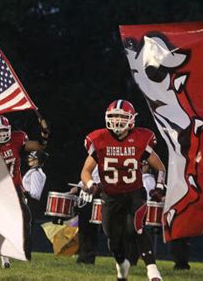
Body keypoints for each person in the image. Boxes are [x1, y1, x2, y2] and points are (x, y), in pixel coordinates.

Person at [80, 99, 166, 281]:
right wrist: (90, 185)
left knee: (136, 227)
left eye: (122, 116)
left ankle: (152, 271)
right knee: (113, 239)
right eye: (114, 116)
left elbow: (160, 167)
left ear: (131, 119)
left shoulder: (141, 138)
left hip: (134, 192)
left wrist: (159, 187)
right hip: (110, 195)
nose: (118, 120)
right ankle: (122, 267)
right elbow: (85, 171)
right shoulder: (99, 139)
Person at [0, 114, 49, 268]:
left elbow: (40, 146)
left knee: (25, 219)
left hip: (14, 188)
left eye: (3, 130)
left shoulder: (16, 139)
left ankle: (25, 256)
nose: (1, 134)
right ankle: (2, 256)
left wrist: (45, 133)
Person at [69, 167, 100, 265]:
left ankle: (89, 259)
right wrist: (78, 187)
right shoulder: (93, 165)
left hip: (95, 197)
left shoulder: (104, 163)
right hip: (84, 198)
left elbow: (102, 182)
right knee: (82, 229)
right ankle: (82, 257)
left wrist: (92, 187)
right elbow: (84, 179)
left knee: (91, 230)